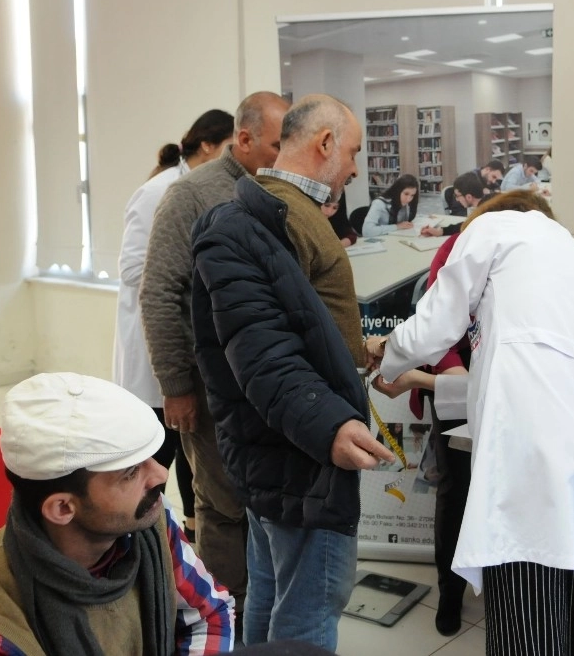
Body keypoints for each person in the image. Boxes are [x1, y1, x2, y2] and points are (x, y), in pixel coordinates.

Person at [366, 191, 574, 655]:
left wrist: (389, 357)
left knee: (526, 619)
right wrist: (415, 376)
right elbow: (499, 379)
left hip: (534, 462)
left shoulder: (493, 230)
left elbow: (435, 325)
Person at [189, 93, 396, 652]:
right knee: (308, 606)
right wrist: (330, 426)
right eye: (352, 152)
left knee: (273, 589)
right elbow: (263, 349)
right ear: (325, 144)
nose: (354, 168)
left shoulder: (281, 216)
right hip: (298, 447)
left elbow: (299, 322)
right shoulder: (252, 223)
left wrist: (356, 348)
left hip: (279, 440)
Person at [139, 91, 290, 624]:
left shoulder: (279, 190)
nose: (284, 153)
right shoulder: (192, 195)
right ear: (243, 140)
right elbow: (159, 292)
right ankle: (223, 615)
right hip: (211, 387)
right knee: (223, 506)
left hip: (270, 384)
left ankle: (263, 612)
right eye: (276, 143)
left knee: (266, 504)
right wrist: (176, 383)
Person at [0, 372, 235, 655]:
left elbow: (211, 613)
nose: (160, 474)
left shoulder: (151, 526)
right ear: (63, 508)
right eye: (131, 472)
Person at [114, 108, 234, 544]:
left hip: (194, 347)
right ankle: (140, 543)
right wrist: (187, 272)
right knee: (156, 460)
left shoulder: (208, 189)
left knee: (193, 460)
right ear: (207, 145)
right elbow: (133, 270)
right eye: (227, 148)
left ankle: (186, 542)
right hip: (159, 347)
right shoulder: (160, 192)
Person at [368, 227, 472, 636]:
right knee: (456, 489)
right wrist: (449, 373)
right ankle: (450, 592)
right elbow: (434, 321)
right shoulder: (457, 248)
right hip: (454, 378)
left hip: (504, 379)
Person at [422, 172, 487, 237]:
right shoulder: (481, 206)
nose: (456, 199)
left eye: (457, 196)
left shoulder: (486, 214)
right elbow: (467, 225)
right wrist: (441, 231)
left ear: (469, 197)